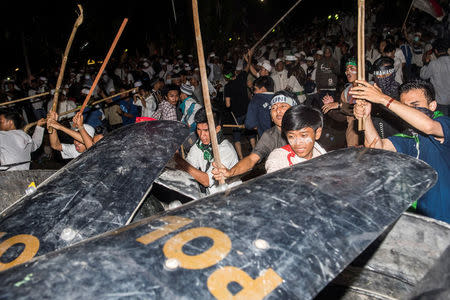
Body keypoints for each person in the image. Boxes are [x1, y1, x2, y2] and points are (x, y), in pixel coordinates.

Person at [351, 79, 449, 223]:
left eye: (415, 105)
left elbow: (429, 126)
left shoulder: (444, 123)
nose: (408, 111)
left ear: (432, 106)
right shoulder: (411, 137)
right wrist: (366, 117)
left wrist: (382, 99)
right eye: (405, 107)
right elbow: (377, 148)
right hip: (423, 219)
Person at [212, 90, 298, 181]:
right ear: (271, 117)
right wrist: (230, 172)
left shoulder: (305, 130)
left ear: (294, 110)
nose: (278, 110)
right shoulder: (269, 136)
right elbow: (251, 159)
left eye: (283, 106)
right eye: (273, 108)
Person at [174, 108, 239, 195]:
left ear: (217, 129)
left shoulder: (226, 150)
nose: (201, 135)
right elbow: (189, 165)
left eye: (206, 130)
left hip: (230, 195)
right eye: (198, 129)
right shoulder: (199, 145)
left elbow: (207, 181)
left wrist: (179, 160)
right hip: (210, 196)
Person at [265, 105, 326, 173]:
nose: (297, 143)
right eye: (291, 136)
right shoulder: (280, 157)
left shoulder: (320, 151)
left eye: (303, 135)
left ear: (317, 133)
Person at [420, 39, 450, 116]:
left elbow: (423, 75)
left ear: (436, 51)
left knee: (442, 122)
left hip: (441, 100)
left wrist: (426, 63)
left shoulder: (434, 64)